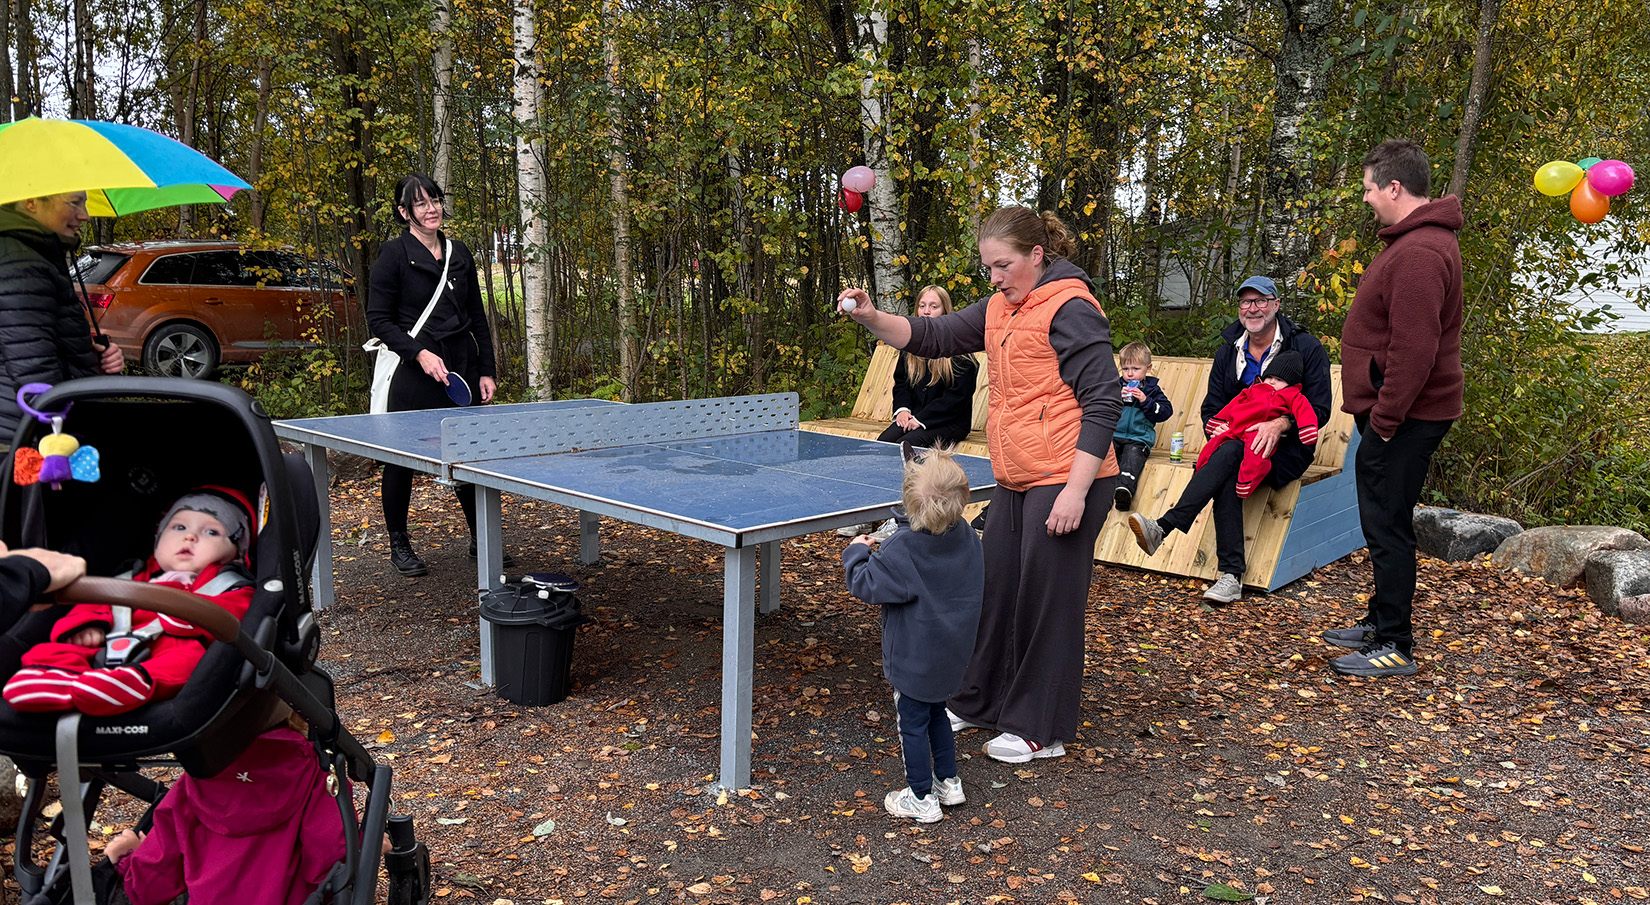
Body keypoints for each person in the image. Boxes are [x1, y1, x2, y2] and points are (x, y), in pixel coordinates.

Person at [837, 206, 1122, 764]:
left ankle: (1041, 725)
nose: (993, 276)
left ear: (1037, 256)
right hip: (1018, 474)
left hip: (1069, 475)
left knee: (1048, 602)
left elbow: (1104, 401)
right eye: (988, 266)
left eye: (1003, 265)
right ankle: (979, 699)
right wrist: (871, 317)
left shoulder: (1072, 309)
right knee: (994, 589)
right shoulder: (999, 308)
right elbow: (930, 334)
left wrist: (1075, 491)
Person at [1323, 139, 1463, 678]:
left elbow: (1415, 348)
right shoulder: (1416, 242)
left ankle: (1395, 645)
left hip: (1404, 417)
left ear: (1394, 188)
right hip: (1401, 413)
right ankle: (1381, 622)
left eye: (1368, 189)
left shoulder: (1421, 253)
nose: (1366, 199)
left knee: (1387, 525)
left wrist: (1384, 417)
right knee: (1385, 518)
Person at [1126, 275, 1331, 605]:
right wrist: (1216, 429)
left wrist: (1280, 424)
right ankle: (1228, 575)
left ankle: (1172, 531)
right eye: (1246, 302)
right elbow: (1212, 408)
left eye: (1261, 300)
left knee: (1229, 458)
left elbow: (1319, 409)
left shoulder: (1305, 348)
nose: (1253, 309)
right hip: (1236, 447)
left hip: (1285, 451)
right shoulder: (1228, 353)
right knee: (1231, 456)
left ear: (1276, 305)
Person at [3, 488, 256, 715]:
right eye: (179, 527)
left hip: (173, 644)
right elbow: (95, 601)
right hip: (110, 639)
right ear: (158, 538)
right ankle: (51, 678)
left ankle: (134, 683)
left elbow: (237, 613)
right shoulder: (131, 575)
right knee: (53, 650)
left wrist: (189, 617)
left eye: (211, 531)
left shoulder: (228, 584)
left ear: (237, 553)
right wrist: (87, 626)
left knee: (188, 663)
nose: (190, 537)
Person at [366, 174, 502, 577]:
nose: (432, 209)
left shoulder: (459, 253)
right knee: (400, 461)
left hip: (461, 366)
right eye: (421, 203)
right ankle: (399, 543)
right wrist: (418, 352)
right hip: (413, 372)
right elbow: (378, 320)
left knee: (469, 456)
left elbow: (477, 316)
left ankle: (482, 538)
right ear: (404, 212)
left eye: (436, 200)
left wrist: (486, 370)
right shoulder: (392, 256)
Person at [841, 443, 983, 823]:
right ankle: (948, 782)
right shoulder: (967, 536)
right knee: (937, 710)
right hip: (952, 654)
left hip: (913, 656)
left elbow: (864, 583)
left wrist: (856, 551)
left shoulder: (903, 548)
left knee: (913, 725)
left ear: (910, 504)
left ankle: (920, 797)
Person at [100, 711, 348, 905]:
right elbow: (329, 869)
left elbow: (150, 888)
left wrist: (128, 858)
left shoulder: (194, 782)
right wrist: (361, 845)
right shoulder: (318, 774)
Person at [839, 284, 979, 539]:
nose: (926, 312)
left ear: (945, 311)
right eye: (922, 306)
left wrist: (921, 420)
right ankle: (867, 515)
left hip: (948, 422)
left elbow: (956, 399)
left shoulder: (961, 355)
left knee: (908, 448)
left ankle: (900, 517)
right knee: (883, 445)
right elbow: (901, 385)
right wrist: (902, 411)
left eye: (933, 307)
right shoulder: (910, 349)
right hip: (913, 419)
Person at [0, 192, 125, 444]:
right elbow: (34, 371)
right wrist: (60, 443)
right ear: (30, 201)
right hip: (28, 437)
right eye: (74, 203)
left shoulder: (33, 252)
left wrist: (92, 360)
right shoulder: (20, 261)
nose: (85, 215)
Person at [1194, 351, 1319, 497]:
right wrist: (1218, 420)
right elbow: (1233, 404)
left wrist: (1307, 429)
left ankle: (1246, 482)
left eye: (1279, 380)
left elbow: (1304, 411)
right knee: (1214, 444)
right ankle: (1200, 472)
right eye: (1269, 377)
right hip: (1236, 427)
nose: (1272, 382)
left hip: (1259, 430)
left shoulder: (1292, 395)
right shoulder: (1254, 390)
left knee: (1256, 449)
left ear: (1290, 384)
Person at [1111, 340, 1173, 510]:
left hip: (1138, 438)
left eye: (1136, 369)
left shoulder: (1153, 391)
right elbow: (1101, 407)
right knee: (1104, 453)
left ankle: (1124, 491)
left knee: (1132, 456)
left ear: (1148, 368)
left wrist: (1146, 400)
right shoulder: (1115, 387)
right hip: (1114, 435)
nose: (1130, 374)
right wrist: (1116, 397)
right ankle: (1098, 492)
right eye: (1125, 369)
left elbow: (1166, 412)